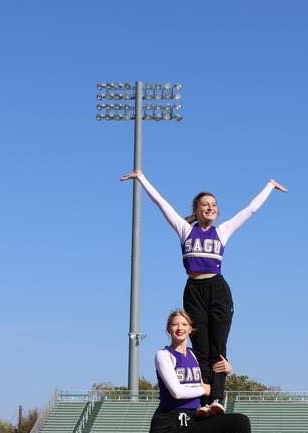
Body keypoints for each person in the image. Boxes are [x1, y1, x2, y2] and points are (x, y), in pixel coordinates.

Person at [121, 169, 286, 413]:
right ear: (197, 210)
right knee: (199, 348)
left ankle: (217, 398)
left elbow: (249, 210)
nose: (210, 208)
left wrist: (269, 186)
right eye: (205, 205)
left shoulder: (223, 231)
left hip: (218, 290)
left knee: (218, 347)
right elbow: (161, 203)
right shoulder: (185, 230)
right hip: (194, 291)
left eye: (214, 205)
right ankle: (203, 398)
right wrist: (141, 177)